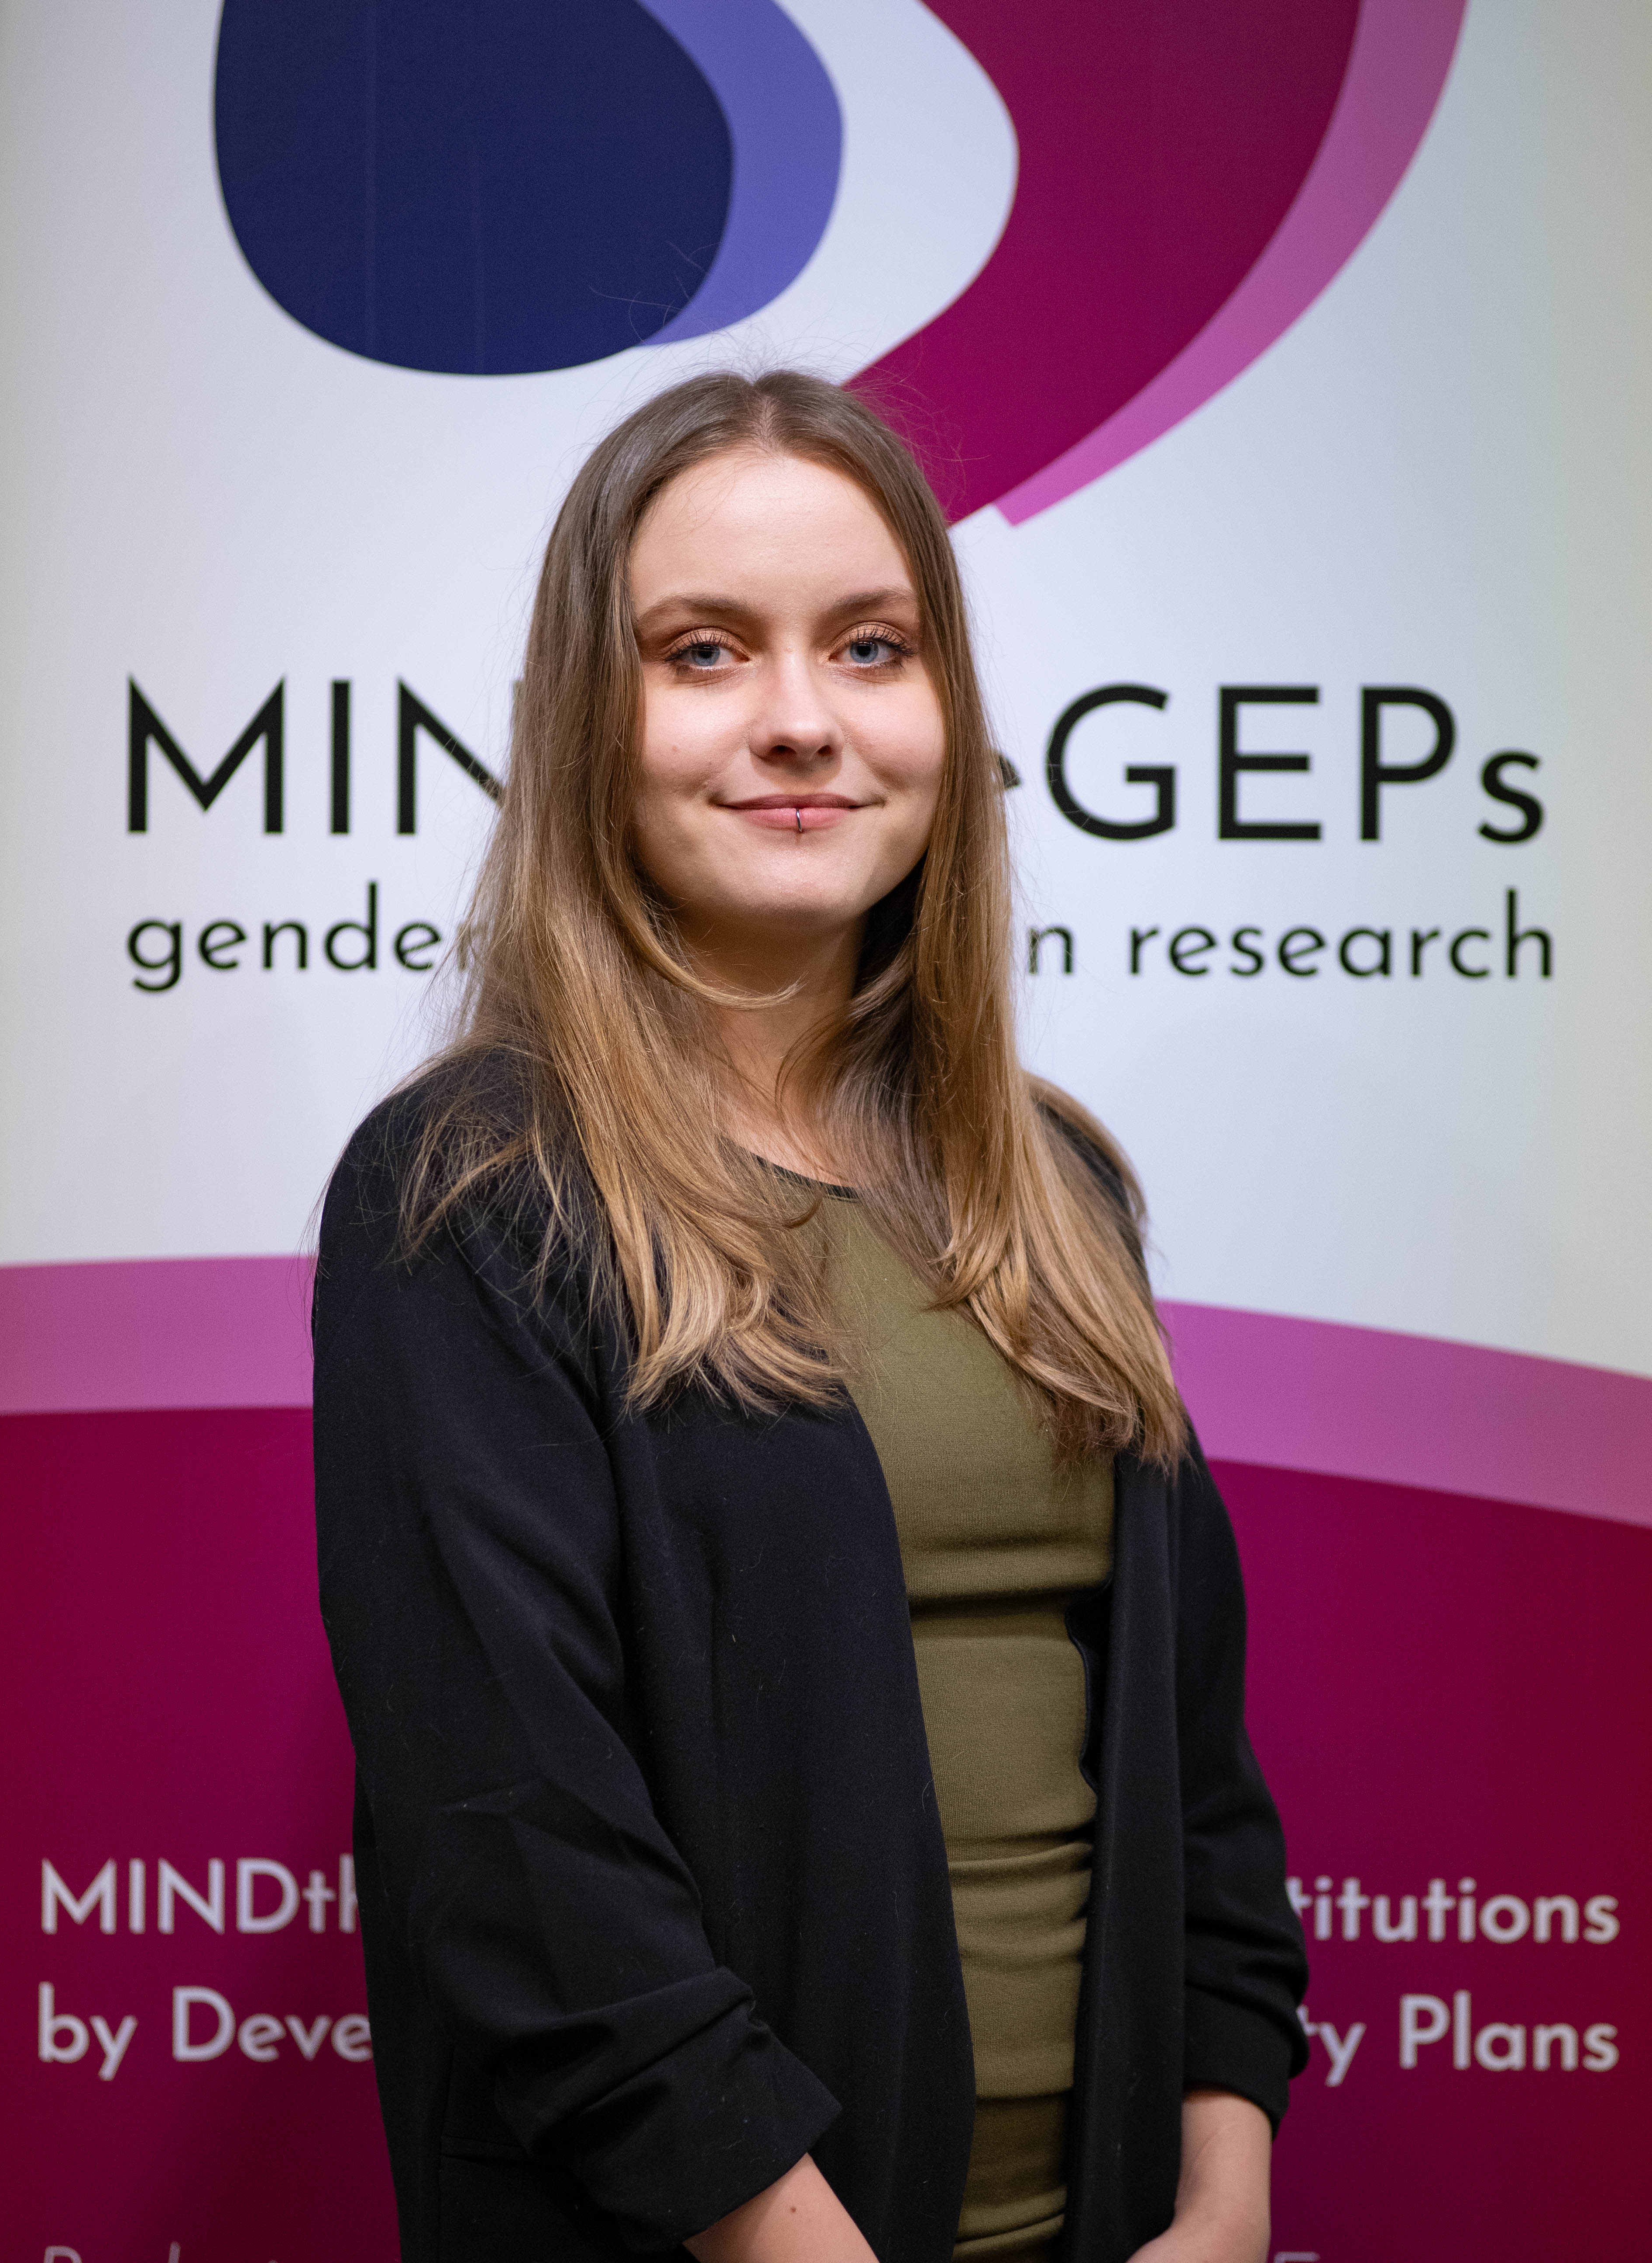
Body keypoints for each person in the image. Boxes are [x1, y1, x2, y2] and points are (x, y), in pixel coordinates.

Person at [312, 369, 1307, 2263]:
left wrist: (1224, 2178)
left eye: (870, 646)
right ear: (589, 722)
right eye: (703, 651)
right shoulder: (472, 1190)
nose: (799, 718)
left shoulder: (1052, 1184)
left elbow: (1194, 1770)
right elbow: (513, 1837)